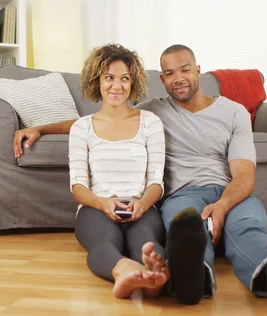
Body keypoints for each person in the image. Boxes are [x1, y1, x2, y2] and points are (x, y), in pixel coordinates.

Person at [12, 44, 267, 306]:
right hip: (183, 194)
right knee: (189, 229)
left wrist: (221, 207)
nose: (178, 78)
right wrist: (41, 127)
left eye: (185, 69)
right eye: (169, 73)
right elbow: (99, 121)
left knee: (248, 227)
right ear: (162, 80)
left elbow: (244, 175)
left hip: (228, 191)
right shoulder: (153, 111)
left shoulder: (232, 113)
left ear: (198, 71)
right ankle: (194, 281)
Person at [66, 43, 170, 299]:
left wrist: (143, 205)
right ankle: (124, 271)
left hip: (142, 206)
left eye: (124, 78)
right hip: (95, 208)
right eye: (109, 78)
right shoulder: (81, 128)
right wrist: (103, 204)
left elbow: (156, 181)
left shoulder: (150, 123)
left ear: (132, 82)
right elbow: (78, 187)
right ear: (97, 81)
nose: (117, 86)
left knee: (147, 241)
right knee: (104, 241)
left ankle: (155, 276)